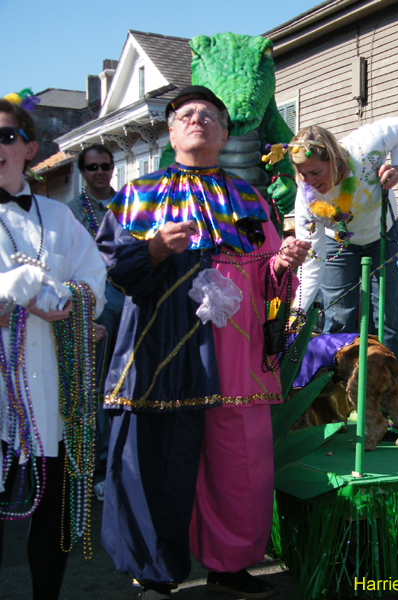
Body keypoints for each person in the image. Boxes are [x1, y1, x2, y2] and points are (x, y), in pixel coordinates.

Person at [96, 86, 309, 599]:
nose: (198, 120)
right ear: (170, 132)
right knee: (156, 462)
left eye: (210, 115)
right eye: (186, 115)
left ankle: (230, 563)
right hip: (160, 350)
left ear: (225, 133)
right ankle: (154, 572)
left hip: (237, 356)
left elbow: (269, 280)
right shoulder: (135, 196)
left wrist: (282, 266)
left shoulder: (253, 200)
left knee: (240, 461)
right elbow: (114, 274)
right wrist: (152, 251)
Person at [0, 98, 107, 599]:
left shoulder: (58, 216)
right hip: (2, 403)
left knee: (53, 519)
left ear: (29, 147)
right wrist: (20, 288)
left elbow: (92, 273)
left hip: (53, 402)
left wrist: (68, 295)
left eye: (5, 136)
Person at [287, 117, 398, 363]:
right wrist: (297, 312)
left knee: (387, 319)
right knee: (338, 317)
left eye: (315, 172)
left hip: (382, 235)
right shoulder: (307, 201)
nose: (310, 181)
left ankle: (390, 388)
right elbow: (312, 263)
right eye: (302, 174)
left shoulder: (364, 147)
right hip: (339, 243)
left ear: (333, 160)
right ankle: (342, 391)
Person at [65, 143, 125, 499]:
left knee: (128, 382)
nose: (99, 172)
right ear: (82, 171)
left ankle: (124, 464)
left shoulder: (129, 204)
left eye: (105, 166)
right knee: (97, 388)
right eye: (92, 167)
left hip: (132, 302)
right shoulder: (70, 213)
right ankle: (98, 468)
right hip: (95, 309)